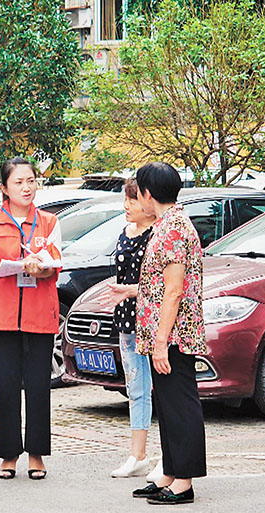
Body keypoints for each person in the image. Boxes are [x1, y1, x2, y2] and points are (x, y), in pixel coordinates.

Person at [101, 162, 207, 505]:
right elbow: (160, 284)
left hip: (173, 334)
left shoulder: (173, 227)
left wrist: (161, 342)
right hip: (164, 332)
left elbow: (174, 290)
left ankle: (184, 481)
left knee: (180, 404)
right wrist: (133, 292)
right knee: (168, 404)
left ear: (148, 194)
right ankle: (170, 473)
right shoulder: (167, 223)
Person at [0, 157, 62, 480]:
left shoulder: (49, 221)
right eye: (19, 182)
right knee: (7, 385)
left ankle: (36, 454)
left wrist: (41, 268)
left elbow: (56, 262)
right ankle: (9, 454)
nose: (26, 188)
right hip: (2, 315)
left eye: (31, 181)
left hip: (39, 314)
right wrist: (14, 266)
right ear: (5, 188)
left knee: (38, 386)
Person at [100, 177, 160, 480]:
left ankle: (169, 455)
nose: (126, 206)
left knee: (163, 389)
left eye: (132, 199)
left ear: (148, 202)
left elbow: (163, 282)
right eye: (125, 199)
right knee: (136, 387)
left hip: (154, 320)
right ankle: (138, 456)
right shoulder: (125, 232)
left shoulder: (158, 234)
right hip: (127, 319)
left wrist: (133, 291)